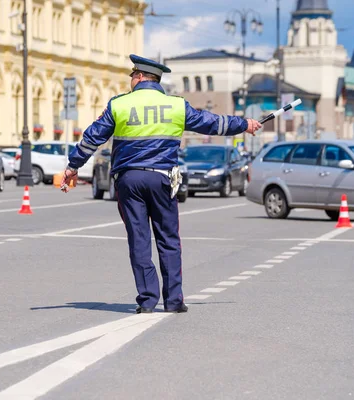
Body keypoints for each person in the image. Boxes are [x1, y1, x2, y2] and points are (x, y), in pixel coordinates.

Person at [60, 54, 262, 314]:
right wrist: (244, 124)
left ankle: (147, 300)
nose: (131, 80)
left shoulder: (119, 104)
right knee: (168, 239)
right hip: (163, 178)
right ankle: (174, 300)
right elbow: (211, 123)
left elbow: (92, 137)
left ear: (141, 77)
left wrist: (73, 166)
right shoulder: (176, 105)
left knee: (139, 240)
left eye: (133, 75)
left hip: (129, 180)